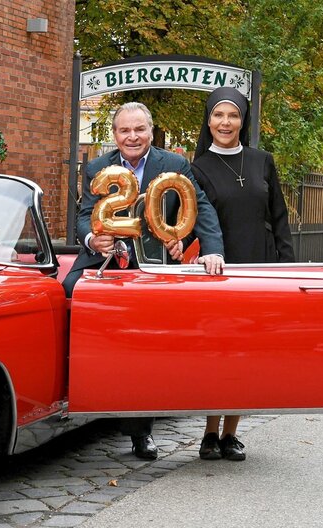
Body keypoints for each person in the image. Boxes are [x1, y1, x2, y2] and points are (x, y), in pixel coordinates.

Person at [62, 101, 225, 460]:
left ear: (151, 131)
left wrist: (211, 248)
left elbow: (200, 206)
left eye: (139, 129)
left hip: (152, 267)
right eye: (124, 130)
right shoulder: (97, 167)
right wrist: (92, 238)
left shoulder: (174, 165)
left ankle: (141, 431)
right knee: (66, 292)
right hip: (104, 261)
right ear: (115, 134)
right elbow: (85, 214)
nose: (132, 136)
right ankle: (69, 389)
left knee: (147, 343)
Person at [191, 86, 295, 462]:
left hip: (260, 266)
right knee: (219, 352)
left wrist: (286, 270)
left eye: (233, 115)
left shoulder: (261, 160)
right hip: (219, 269)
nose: (225, 122)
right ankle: (208, 432)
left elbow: (279, 218)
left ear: (243, 120)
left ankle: (231, 433)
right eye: (218, 115)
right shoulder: (198, 167)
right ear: (209, 120)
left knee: (246, 352)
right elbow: (189, 222)